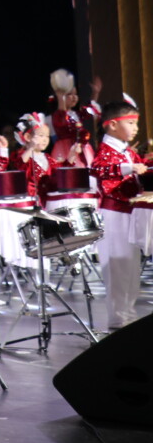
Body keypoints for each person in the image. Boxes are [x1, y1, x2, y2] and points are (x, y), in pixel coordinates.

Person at [90, 99, 147, 330]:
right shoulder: (106, 151)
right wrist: (128, 168)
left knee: (131, 268)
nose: (136, 128)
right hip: (114, 215)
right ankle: (119, 320)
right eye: (131, 123)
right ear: (113, 125)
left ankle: (128, 317)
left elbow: (142, 169)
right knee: (117, 268)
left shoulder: (127, 152)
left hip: (129, 213)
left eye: (136, 123)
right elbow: (97, 169)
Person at [11, 112, 77, 199]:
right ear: (28, 137)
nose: (45, 140)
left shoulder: (47, 157)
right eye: (41, 136)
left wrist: (72, 154)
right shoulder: (22, 156)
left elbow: (60, 171)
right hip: (31, 199)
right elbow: (20, 165)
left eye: (47, 136)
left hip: (48, 198)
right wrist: (30, 148)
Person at [50, 70, 102, 168]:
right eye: (70, 94)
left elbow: (89, 110)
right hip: (66, 149)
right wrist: (61, 97)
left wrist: (95, 93)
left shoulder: (77, 114)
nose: (74, 97)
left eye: (75, 94)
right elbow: (62, 119)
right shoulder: (58, 115)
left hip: (81, 148)